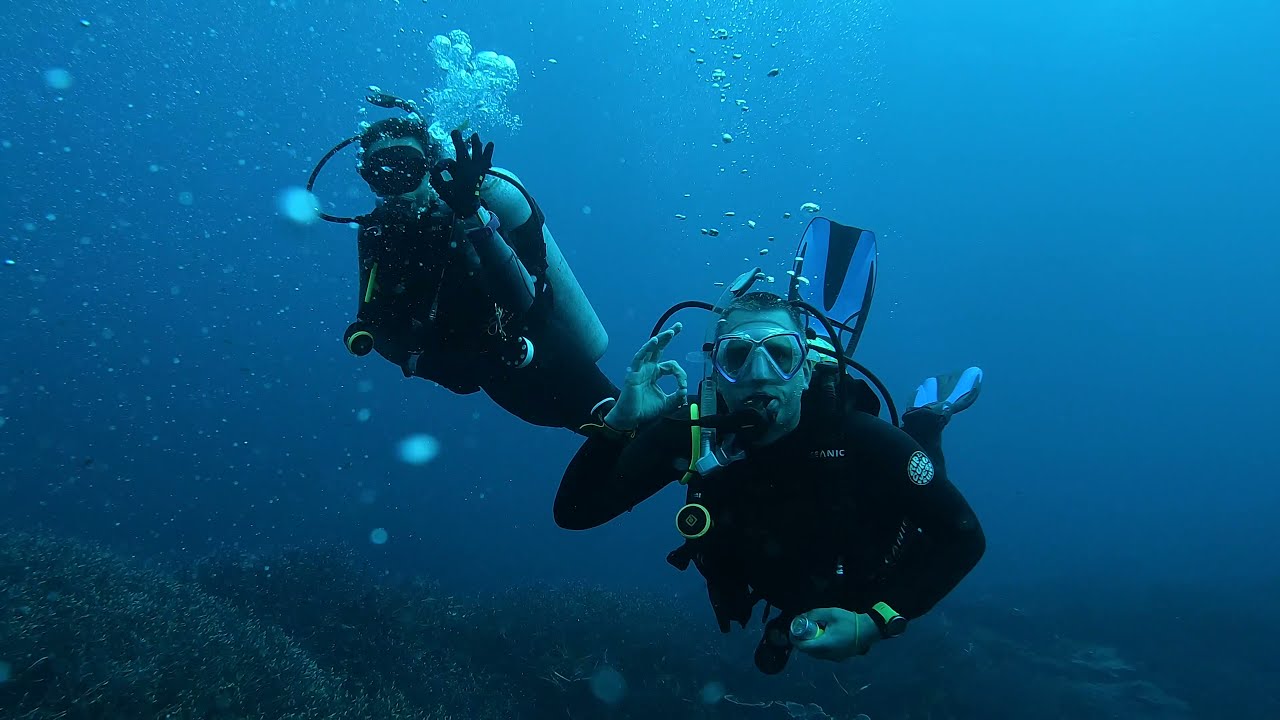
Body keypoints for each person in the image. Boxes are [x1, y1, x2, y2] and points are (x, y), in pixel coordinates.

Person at [554, 218, 986, 674]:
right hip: (778, 581)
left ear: (804, 372)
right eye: (737, 356)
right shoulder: (696, 433)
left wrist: (873, 623)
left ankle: (927, 421)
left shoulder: (861, 440)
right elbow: (575, 513)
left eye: (780, 355)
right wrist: (619, 424)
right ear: (716, 373)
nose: (759, 373)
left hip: (867, 575)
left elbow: (962, 537)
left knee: (916, 477)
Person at [306, 89, 618, 432]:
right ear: (370, 181)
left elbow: (532, 303)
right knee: (604, 440)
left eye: (407, 169)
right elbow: (374, 324)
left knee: (619, 422)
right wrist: (432, 365)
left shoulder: (464, 210)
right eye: (384, 175)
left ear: (428, 167)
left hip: (542, 347)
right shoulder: (377, 237)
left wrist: (470, 214)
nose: (399, 188)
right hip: (491, 377)